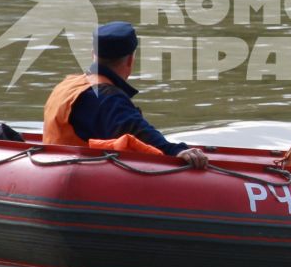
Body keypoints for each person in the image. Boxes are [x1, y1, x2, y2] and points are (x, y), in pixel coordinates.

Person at [43, 21, 209, 168]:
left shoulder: (68, 84)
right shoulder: (105, 97)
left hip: (50, 165)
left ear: (93, 55)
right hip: (76, 175)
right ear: (130, 60)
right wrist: (176, 151)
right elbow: (136, 130)